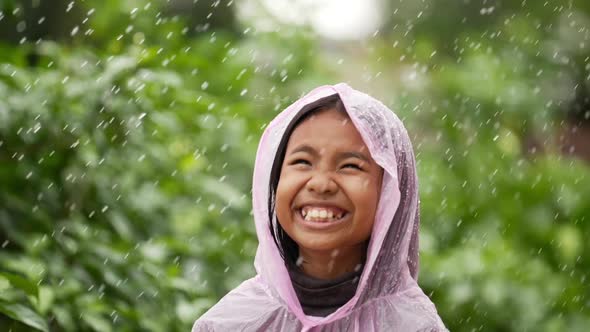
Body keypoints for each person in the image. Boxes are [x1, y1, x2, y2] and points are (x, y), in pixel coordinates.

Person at [192, 83, 447, 331]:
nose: (321, 184)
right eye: (303, 161)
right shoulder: (230, 324)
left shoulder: (415, 326)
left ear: (392, 192)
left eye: (350, 166)